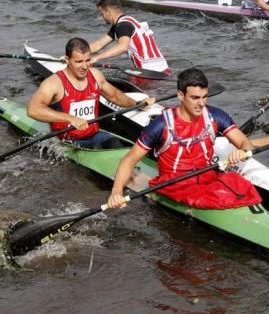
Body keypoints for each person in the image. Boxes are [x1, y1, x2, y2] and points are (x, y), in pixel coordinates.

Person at [106, 67, 260, 210]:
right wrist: (116, 192)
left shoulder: (215, 115)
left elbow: (245, 143)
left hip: (207, 177)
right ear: (180, 95)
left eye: (204, 97)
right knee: (220, 197)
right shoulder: (161, 125)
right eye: (195, 98)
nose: (201, 103)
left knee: (241, 183)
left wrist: (242, 151)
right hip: (175, 185)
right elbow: (129, 160)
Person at [27, 37, 152, 150]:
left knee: (115, 143)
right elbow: (33, 110)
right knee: (96, 147)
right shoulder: (54, 83)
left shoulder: (95, 75)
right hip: (68, 139)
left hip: (93, 134)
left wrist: (136, 104)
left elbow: (115, 95)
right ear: (67, 60)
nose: (84, 66)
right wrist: (71, 118)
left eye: (87, 60)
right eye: (79, 61)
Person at [89, 0, 170, 79]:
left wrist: (96, 58)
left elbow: (122, 47)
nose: (102, 18)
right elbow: (98, 44)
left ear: (108, 12)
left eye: (102, 14)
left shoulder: (123, 26)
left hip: (148, 73)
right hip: (163, 70)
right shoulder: (128, 21)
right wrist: (78, 53)